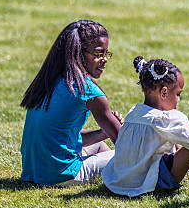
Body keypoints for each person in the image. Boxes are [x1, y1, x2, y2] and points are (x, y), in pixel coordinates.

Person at [102, 56, 189, 197]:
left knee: (183, 143)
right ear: (164, 92)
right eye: (178, 94)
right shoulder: (166, 119)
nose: (178, 100)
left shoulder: (134, 113)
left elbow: (162, 130)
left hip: (121, 181)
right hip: (150, 183)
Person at [20, 19, 124, 186]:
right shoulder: (88, 91)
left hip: (34, 173)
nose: (104, 59)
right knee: (137, 159)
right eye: (98, 54)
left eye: (106, 54)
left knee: (100, 146)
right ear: (78, 52)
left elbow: (62, 138)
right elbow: (127, 144)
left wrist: (102, 133)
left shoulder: (49, 82)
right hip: (63, 176)